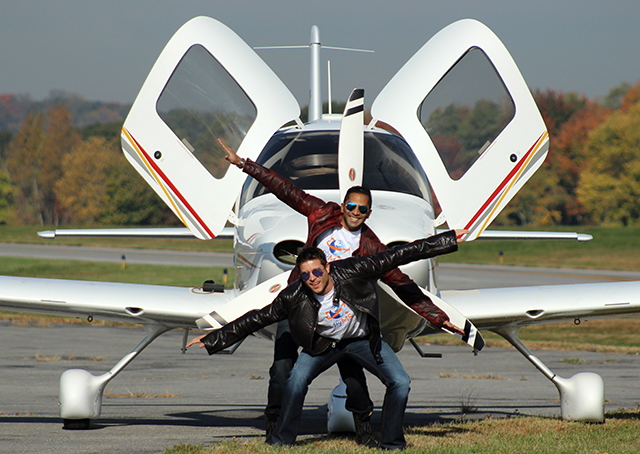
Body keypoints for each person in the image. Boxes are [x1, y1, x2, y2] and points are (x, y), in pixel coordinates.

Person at [221, 142, 464, 444]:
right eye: (351, 206)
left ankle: (363, 421)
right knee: (283, 369)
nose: (356, 212)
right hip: (301, 307)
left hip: (345, 316)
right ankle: (275, 425)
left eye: (363, 209)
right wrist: (244, 164)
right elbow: (285, 189)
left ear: (368, 213)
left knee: (354, 380)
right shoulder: (320, 213)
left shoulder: (372, 247)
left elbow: (403, 283)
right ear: (343, 206)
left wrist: (438, 317)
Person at [187, 229, 464, 449]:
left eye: (317, 271)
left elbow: (400, 254)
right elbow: (257, 317)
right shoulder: (293, 295)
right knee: (295, 380)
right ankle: (282, 441)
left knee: (400, 382)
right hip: (322, 345)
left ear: (328, 268)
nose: (312, 278)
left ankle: (391, 444)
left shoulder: (354, 269)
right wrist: (214, 338)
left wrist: (448, 239)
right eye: (305, 274)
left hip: (361, 340)